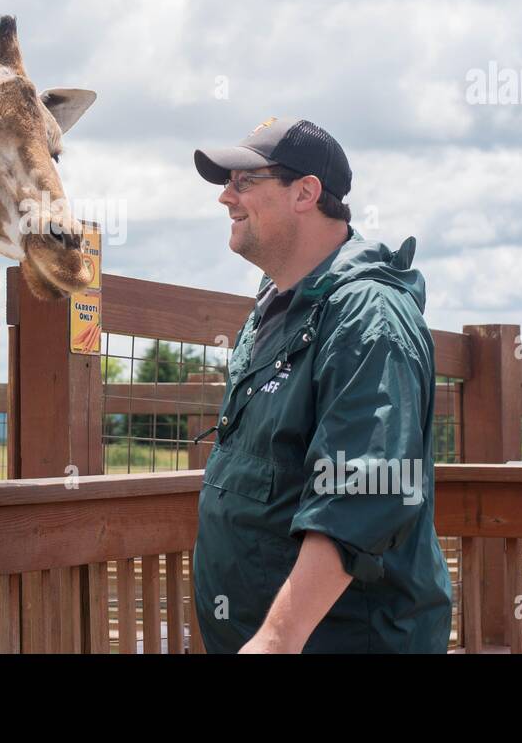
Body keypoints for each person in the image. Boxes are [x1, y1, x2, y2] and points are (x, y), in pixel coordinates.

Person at [190, 118, 452, 653]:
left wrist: (276, 639)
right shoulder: (277, 300)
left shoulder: (368, 316)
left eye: (244, 181)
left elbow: (364, 493)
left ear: (306, 192)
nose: (225, 197)